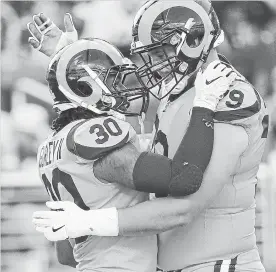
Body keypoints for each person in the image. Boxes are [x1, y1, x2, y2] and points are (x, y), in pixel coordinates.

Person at [31, 0, 268, 271]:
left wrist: (88, 221)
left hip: (218, 263)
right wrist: (70, 60)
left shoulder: (227, 96)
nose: (153, 65)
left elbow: (184, 208)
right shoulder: (181, 90)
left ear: (190, 40)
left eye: (159, 53)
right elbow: (109, 97)